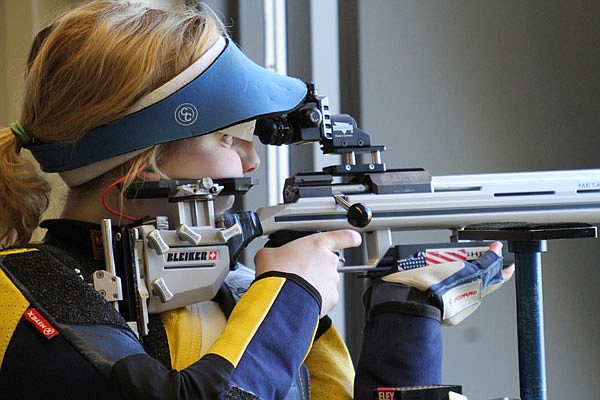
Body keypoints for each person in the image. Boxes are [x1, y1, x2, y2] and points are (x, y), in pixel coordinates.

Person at [0, 1, 513, 399]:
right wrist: (291, 293)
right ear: (143, 157)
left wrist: (407, 317)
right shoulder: (22, 294)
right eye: (226, 138)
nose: (251, 162)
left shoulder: (244, 295)